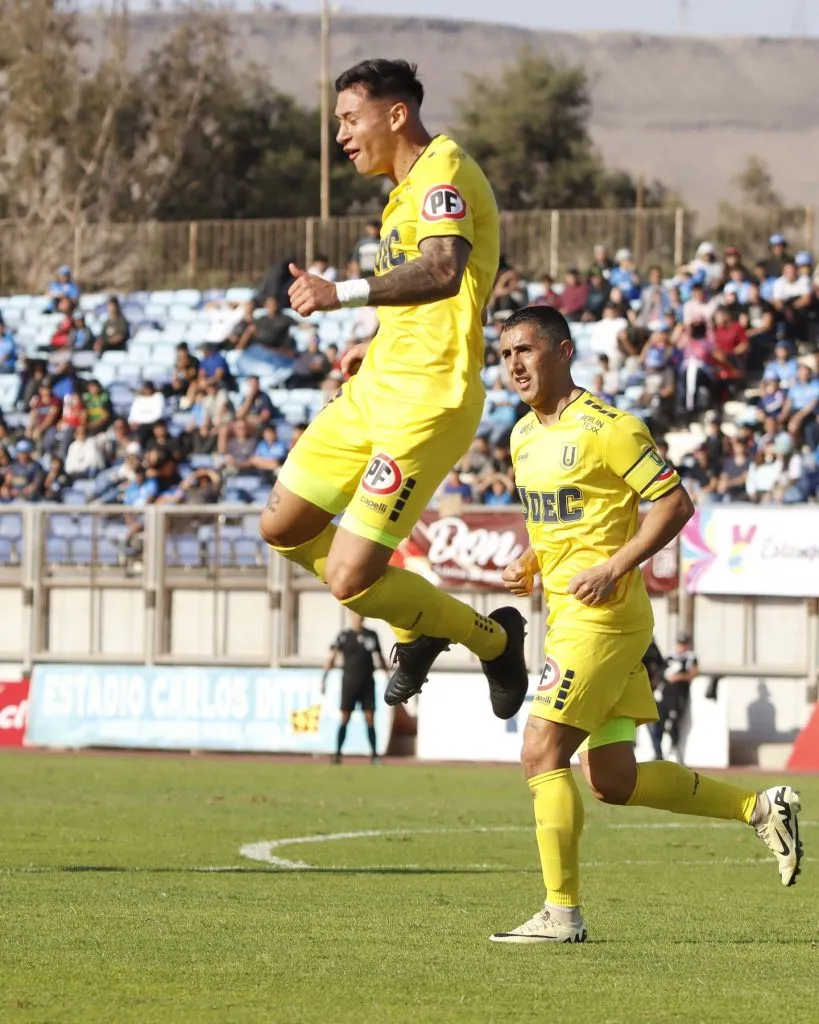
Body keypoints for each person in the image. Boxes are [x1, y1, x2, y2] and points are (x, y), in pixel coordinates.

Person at [485, 305, 802, 945]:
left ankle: (562, 914)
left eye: (527, 349)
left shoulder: (610, 428)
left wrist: (616, 565)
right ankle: (759, 808)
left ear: (564, 351)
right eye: (506, 353)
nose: (515, 363)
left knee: (541, 750)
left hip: (603, 618)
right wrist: (532, 559)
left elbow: (674, 502)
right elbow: (559, 523)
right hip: (572, 613)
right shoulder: (521, 437)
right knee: (613, 780)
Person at [258, 58, 528, 719]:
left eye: (350, 120)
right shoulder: (401, 195)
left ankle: (488, 638)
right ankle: (417, 617)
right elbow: (425, 306)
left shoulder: (444, 171)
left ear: (396, 113)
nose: (342, 137)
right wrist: (372, 344)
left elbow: (441, 271)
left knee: (351, 580)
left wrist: (340, 292)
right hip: (376, 386)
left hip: (425, 402)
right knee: (283, 528)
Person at [321, 613, 389, 763]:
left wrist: (389, 678)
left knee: (370, 718)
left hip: (367, 684)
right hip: (349, 684)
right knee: (345, 717)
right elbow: (332, 657)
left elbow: (380, 657)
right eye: (356, 615)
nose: (358, 617)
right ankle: (338, 754)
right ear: (352, 616)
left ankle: (374, 755)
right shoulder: (344, 636)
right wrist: (324, 678)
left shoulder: (371, 635)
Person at [649, 633, 699, 761]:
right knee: (657, 724)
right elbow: (659, 674)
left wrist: (677, 677)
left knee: (674, 725)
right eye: (679, 643)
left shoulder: (690, 658)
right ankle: (659, 754)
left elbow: (692, 674)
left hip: (678, 697)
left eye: (684, 644)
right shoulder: (670, 657)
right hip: (664, 696)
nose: (681, 647)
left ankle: (677, 755)